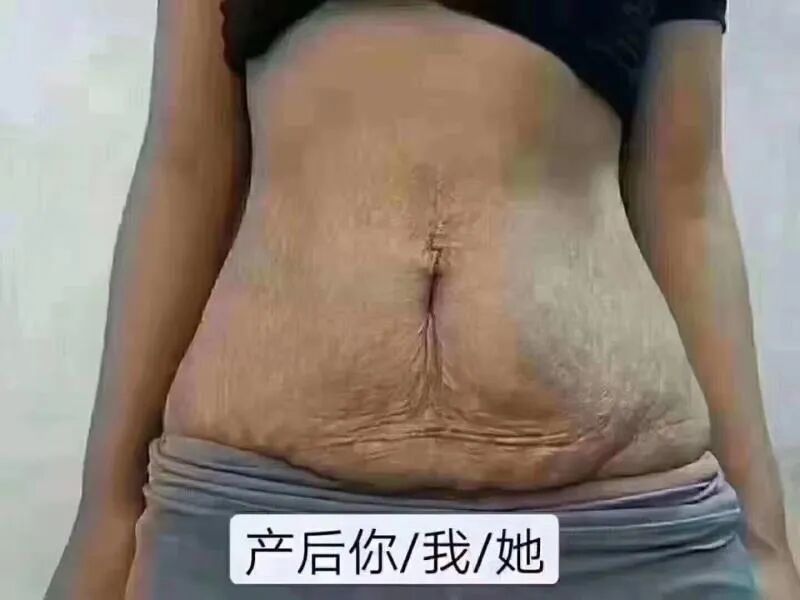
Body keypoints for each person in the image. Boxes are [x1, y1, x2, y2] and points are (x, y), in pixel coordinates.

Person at [46, 1, 800, 598]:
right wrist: (105, 515)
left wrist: (766, 540)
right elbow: (187, 166)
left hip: (611, 536)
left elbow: (683, 194)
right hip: (267, 522)